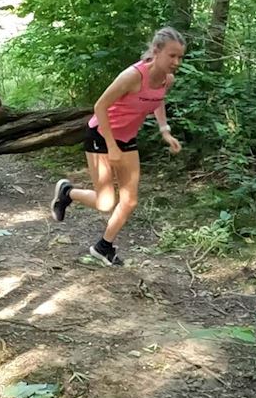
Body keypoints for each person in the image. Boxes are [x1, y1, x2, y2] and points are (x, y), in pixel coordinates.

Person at [49, 27, 185, 266]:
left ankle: (104, 246)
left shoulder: (167, 79)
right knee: (105, 203)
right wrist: (111, 146)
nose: (176, 61)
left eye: (180, 57)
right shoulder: (133, 76)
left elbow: (158, 100)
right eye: (172, 55)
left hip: (127, 138)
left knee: (130, 200)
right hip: (101, 135)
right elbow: (100, 106)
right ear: (156, 51)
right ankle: (67, 193)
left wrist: (165, 131)